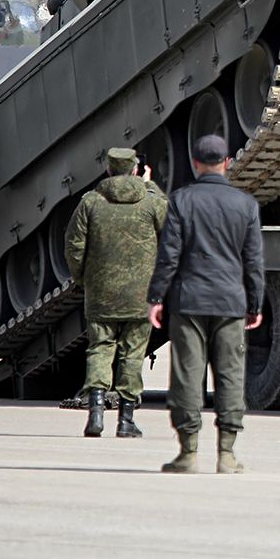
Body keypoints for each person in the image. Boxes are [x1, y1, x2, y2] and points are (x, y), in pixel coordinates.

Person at [147, 134, 264, 474]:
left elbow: (168, 256)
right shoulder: (246, 205)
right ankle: (227, 455)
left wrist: (156, 297)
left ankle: (188, 452)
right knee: (229, 375)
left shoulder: (182, 201)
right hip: (230, 303)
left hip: (189, 302)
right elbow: (254, 261)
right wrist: (255, 304)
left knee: (187, 375)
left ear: (196, 163)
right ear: (227, 163)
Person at [65, 147, 168, 439]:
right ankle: (126, 420)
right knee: (132, 355)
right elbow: (172, 231)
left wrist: (83, 279)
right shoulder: (151, 202)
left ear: (109, 171)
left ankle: (96, 412)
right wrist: (150, 185)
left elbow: (74, 246)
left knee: (100, 348)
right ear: (135, 170)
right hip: (141, 295)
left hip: (100, 293)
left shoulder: (91, 202)